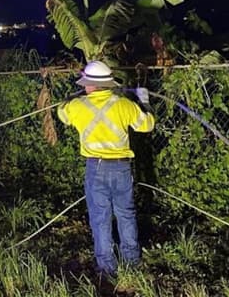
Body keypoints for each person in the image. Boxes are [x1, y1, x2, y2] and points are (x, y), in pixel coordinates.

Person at [57, 60, 156, 279]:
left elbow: (61, 114)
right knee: (126, 215)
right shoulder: (123, 104)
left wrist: (73, 97)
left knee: (100, 218)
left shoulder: (77, 106)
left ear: (89, 85)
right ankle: (132, 263)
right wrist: (144, 102)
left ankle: (106, 269)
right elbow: (147, 125)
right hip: (121, 168)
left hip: (95, 168)